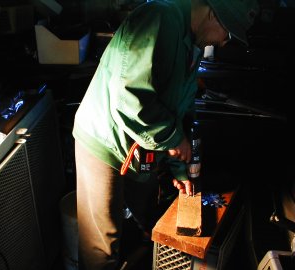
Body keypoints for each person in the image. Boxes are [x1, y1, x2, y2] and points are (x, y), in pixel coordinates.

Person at [72, 0, 259, 269]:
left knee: (151, 220)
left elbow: (178, 113)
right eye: (227, 34)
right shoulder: (160, 18)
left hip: (141, 147)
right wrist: (174, 140)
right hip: (105, 141)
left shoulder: (192, 48)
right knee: (102, 246)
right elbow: (129, 99)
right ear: (212, 14)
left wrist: (179, 170)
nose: (224, 43)